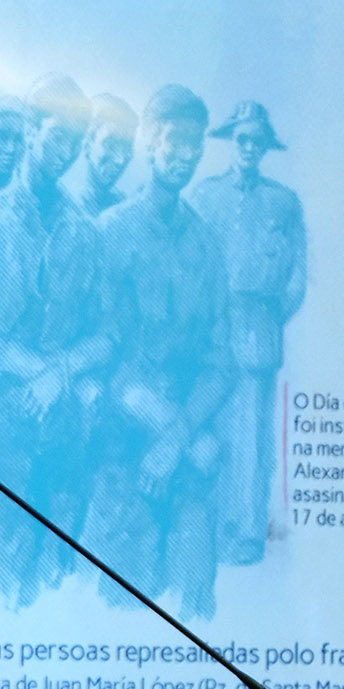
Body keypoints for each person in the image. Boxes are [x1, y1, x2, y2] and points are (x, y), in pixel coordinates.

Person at [0, 77, 111, 607]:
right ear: (29, 129)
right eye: (54, 133)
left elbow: (107, 336)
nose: (62, 149)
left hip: (61, 436)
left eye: (74, 139)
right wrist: (36, 371)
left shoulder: (86, 234)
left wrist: (60, 371)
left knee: (53, 591)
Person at [84, 85, 234, 621]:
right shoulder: (111, 233)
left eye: (196, 147)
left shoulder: (208, 246)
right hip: (125, 455)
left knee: (196, 611)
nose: (185, 157)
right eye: (175, 144)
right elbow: (103, 351)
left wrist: (178, 435)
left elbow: (221, 364)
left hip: (187, 454)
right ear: (149, 141)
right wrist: (167, 431)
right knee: (120, 609)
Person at [187, 100, 307, 566]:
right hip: (211, 329)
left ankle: (247, 532)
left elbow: (296, 276)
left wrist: (271, 317)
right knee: (209, 425)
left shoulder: (283, 201)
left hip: (258, 327)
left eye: (258, 141)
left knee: (251, 437)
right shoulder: (204, 196)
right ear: (231, 141)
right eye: (243, 139)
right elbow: (190, 264)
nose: (250, 147)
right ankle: (212, 528)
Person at [70, 93, 137, 219]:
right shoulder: (69, 208)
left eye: (127, 146)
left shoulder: (128, 209)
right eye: (110, 145)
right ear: (88, 142)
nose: (120, 159)